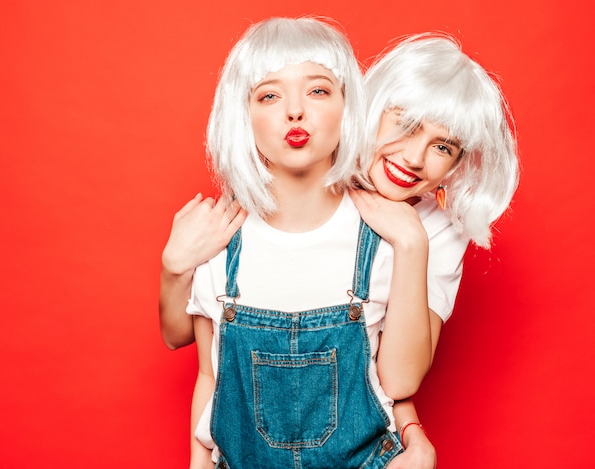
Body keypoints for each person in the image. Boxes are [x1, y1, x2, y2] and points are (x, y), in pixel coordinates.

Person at [160, 17, 437, 468]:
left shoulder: (384, 241)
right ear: (242, 116)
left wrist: (411, 244)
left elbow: (399, 384)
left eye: (318, 90)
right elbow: (209, 378)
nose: (294, 111)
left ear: (349, 106)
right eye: (269, 95)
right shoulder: (219, 242)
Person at [349, 32, 520, 373]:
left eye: (443, 147)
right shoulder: (307, 177)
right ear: (374, 108)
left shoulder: (439, 230)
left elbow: (401, 379)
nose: (414, 158)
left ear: (456, 164)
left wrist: (411, 242)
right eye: (407, 125)